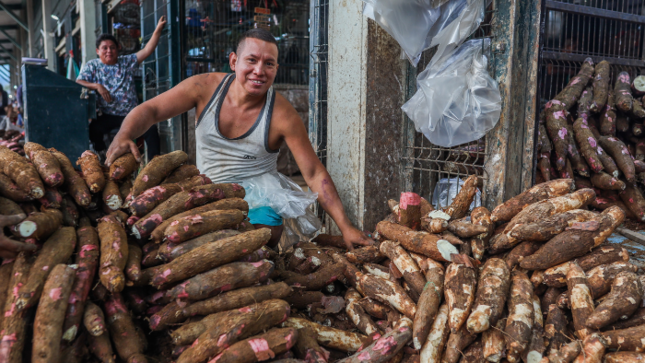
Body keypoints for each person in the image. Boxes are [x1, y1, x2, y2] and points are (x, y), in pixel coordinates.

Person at [106, 28, 372, 250]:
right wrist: (124, 134)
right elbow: (151, 110)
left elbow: (313, 174)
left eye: (269, 64)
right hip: (206, 189)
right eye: (251, 60)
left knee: (264, 229)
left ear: (276, 69)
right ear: (234, 61)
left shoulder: (283, 115)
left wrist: (346, 227)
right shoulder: (204, 87)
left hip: (257, 199)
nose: (259, 71)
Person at [76, 16, 167, 160]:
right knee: (93, 129)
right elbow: (79, 81)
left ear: (118, 48)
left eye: (112, 47)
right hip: (108, 115)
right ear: (98, 51)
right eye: (104, 48)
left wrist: (158, 30)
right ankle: (103, 156)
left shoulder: (127, 62)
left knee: (151, 129)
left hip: (131, 113)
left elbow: (147, 50)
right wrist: (97, 86)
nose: (109, 51)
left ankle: (154, 163)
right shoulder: (92, 66)